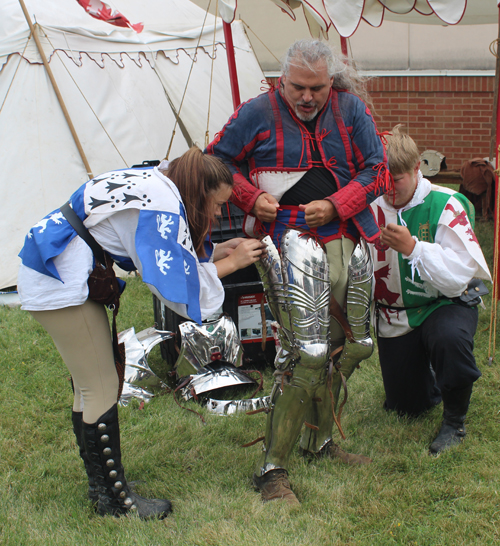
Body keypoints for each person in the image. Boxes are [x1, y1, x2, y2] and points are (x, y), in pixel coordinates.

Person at [17, 147, 264, 519]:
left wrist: (215, 254)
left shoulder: (158, 182)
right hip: (61, 279)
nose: (216, 214)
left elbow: (165, 251)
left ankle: (101, 489)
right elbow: (175, 284)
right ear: (199, 192)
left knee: (90, 386)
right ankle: (116, 501)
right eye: (215, 205)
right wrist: (235, 262)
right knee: (98, 386)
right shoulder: (162, 203)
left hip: (54, 268)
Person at [207, 39, 390, 505]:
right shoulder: (256, 112)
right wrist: (250, 196)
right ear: (281, 80)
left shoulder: (352, 112)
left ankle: (319, 441)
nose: (307, 97)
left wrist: (336, 204)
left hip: (347, 239)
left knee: (351, 345)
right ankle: (272, 469)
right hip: (287, 242)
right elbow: (216, 160)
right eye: (297, 87)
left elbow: (378, 170)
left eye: (317, 88)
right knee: (307, 353)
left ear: (331, 82)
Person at [369, 125, 491, 455]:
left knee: (448, 338)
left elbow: (458, 276)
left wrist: (414, 248)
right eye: (383, 182)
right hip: (397, 316)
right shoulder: (370, 206)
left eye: (397, 180)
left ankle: (454, 421)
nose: (390, 191)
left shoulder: (447, 203)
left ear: (416, 169)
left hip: (445, 303)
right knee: (407, 407)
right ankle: (431, 373)